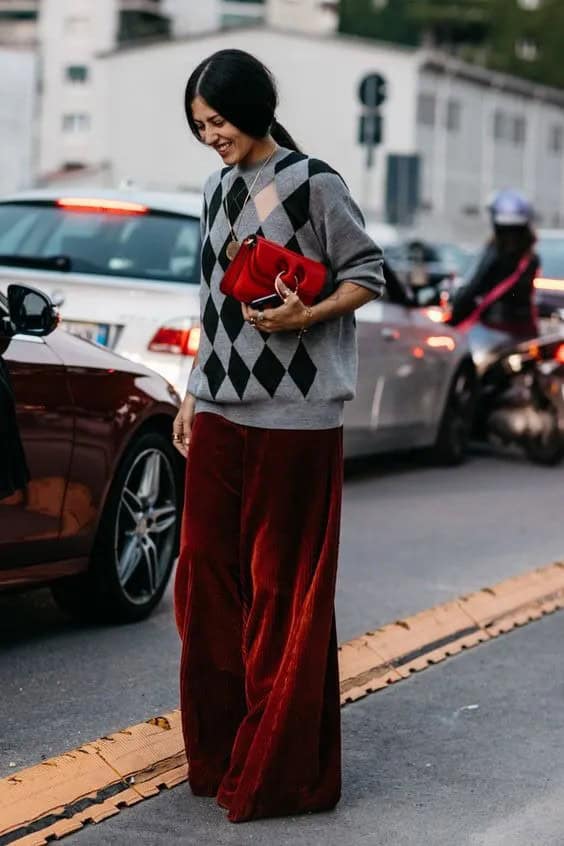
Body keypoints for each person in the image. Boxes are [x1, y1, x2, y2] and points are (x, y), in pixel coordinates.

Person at [172, 49, 385, 824]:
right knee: (204, 583)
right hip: (223, 410)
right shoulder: (214, 189)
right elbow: (212, 307)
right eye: (199, 125)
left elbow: (368, 271)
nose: (210, 137)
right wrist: (196, 393)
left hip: (298, 419)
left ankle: (284, 769)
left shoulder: (314, 182)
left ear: (254, 108)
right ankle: (225, 750)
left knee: (282, 592)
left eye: (218, 120)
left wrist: (307, 315)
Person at [449, 189, 539, 339]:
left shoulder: (495, 254)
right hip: (526, 333)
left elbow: (473, 288)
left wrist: (454, 318)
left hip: (493, 332)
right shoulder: (530, 257)